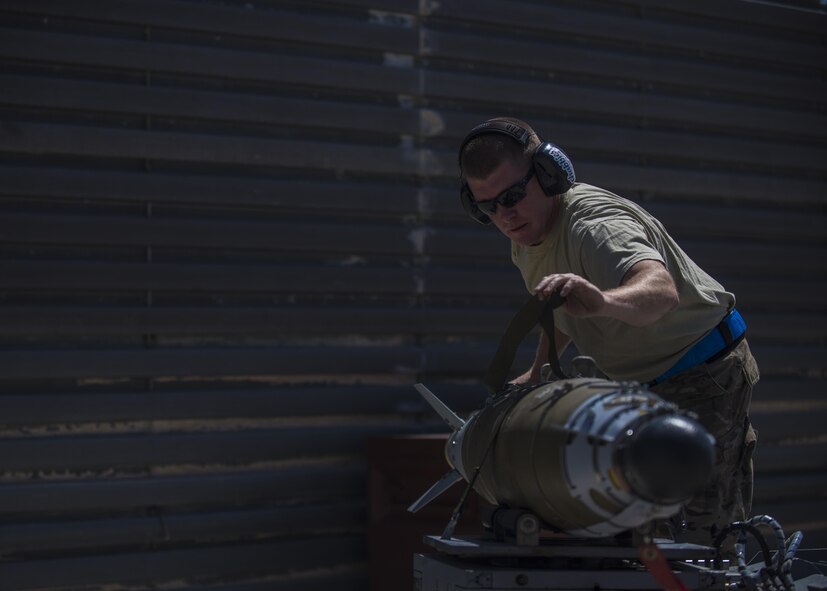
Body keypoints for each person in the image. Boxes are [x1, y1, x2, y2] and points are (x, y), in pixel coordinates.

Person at [458, 116, 759, 549]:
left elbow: (660, 292)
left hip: (704, 373)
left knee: (703, 540)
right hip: (641, 385)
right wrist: (537, 370)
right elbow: (563, 312)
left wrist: (603, 302)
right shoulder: (527, 235)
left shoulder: (594, 227)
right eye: (488, 206)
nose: (505, 214)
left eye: (513, 195)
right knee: (641, 530)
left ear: (549, 174)